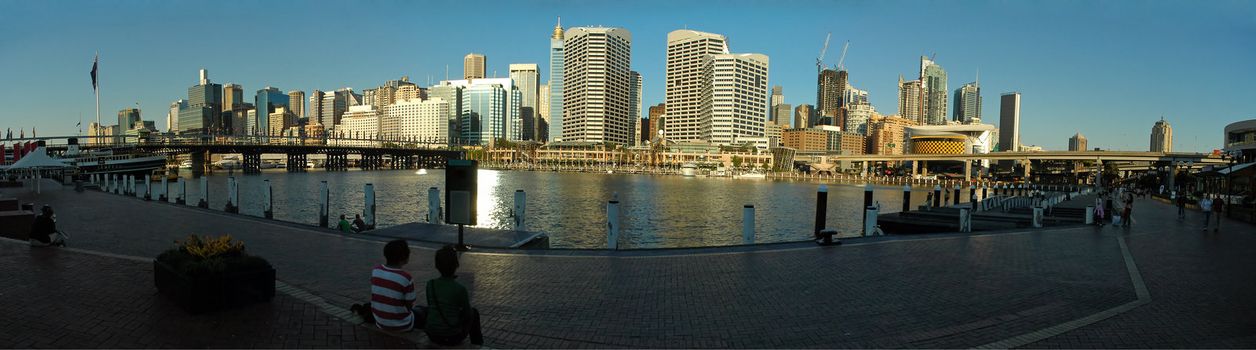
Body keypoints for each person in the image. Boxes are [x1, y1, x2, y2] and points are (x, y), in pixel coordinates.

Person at [425, 245, 484, 346]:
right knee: (474, 313)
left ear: (436, 265)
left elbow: (431, 305)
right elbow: (467, 314)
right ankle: (477, 344)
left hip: (432, 334)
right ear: (456, 265)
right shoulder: (460, 289)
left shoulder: (430, 284)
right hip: (451, 336)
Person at [365, 239, 426, 332]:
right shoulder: (406, 278)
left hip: (379, 321)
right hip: (403, 324)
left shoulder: (376, 270)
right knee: (423, 311)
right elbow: (410, 305)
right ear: (405, 257)